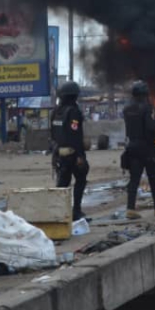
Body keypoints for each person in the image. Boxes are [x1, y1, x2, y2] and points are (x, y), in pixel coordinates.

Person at [121, 81, 155, 219]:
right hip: (147, 148)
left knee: (134, 178)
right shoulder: (147, 108)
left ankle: (130, 208)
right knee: (153, 178)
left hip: (132, 147)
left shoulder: (127, 109)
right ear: (145, 94)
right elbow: (151, 127)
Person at [51, 81, 89, 221]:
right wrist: (80, 155)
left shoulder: (55, 112)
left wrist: (55, 154)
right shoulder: (73, 111)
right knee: (81, 180)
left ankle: (59, 212)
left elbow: (53, 135)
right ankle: (76, 211)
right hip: (73, 153)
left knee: (62, 184)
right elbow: (75, 135)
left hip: (60, 153)